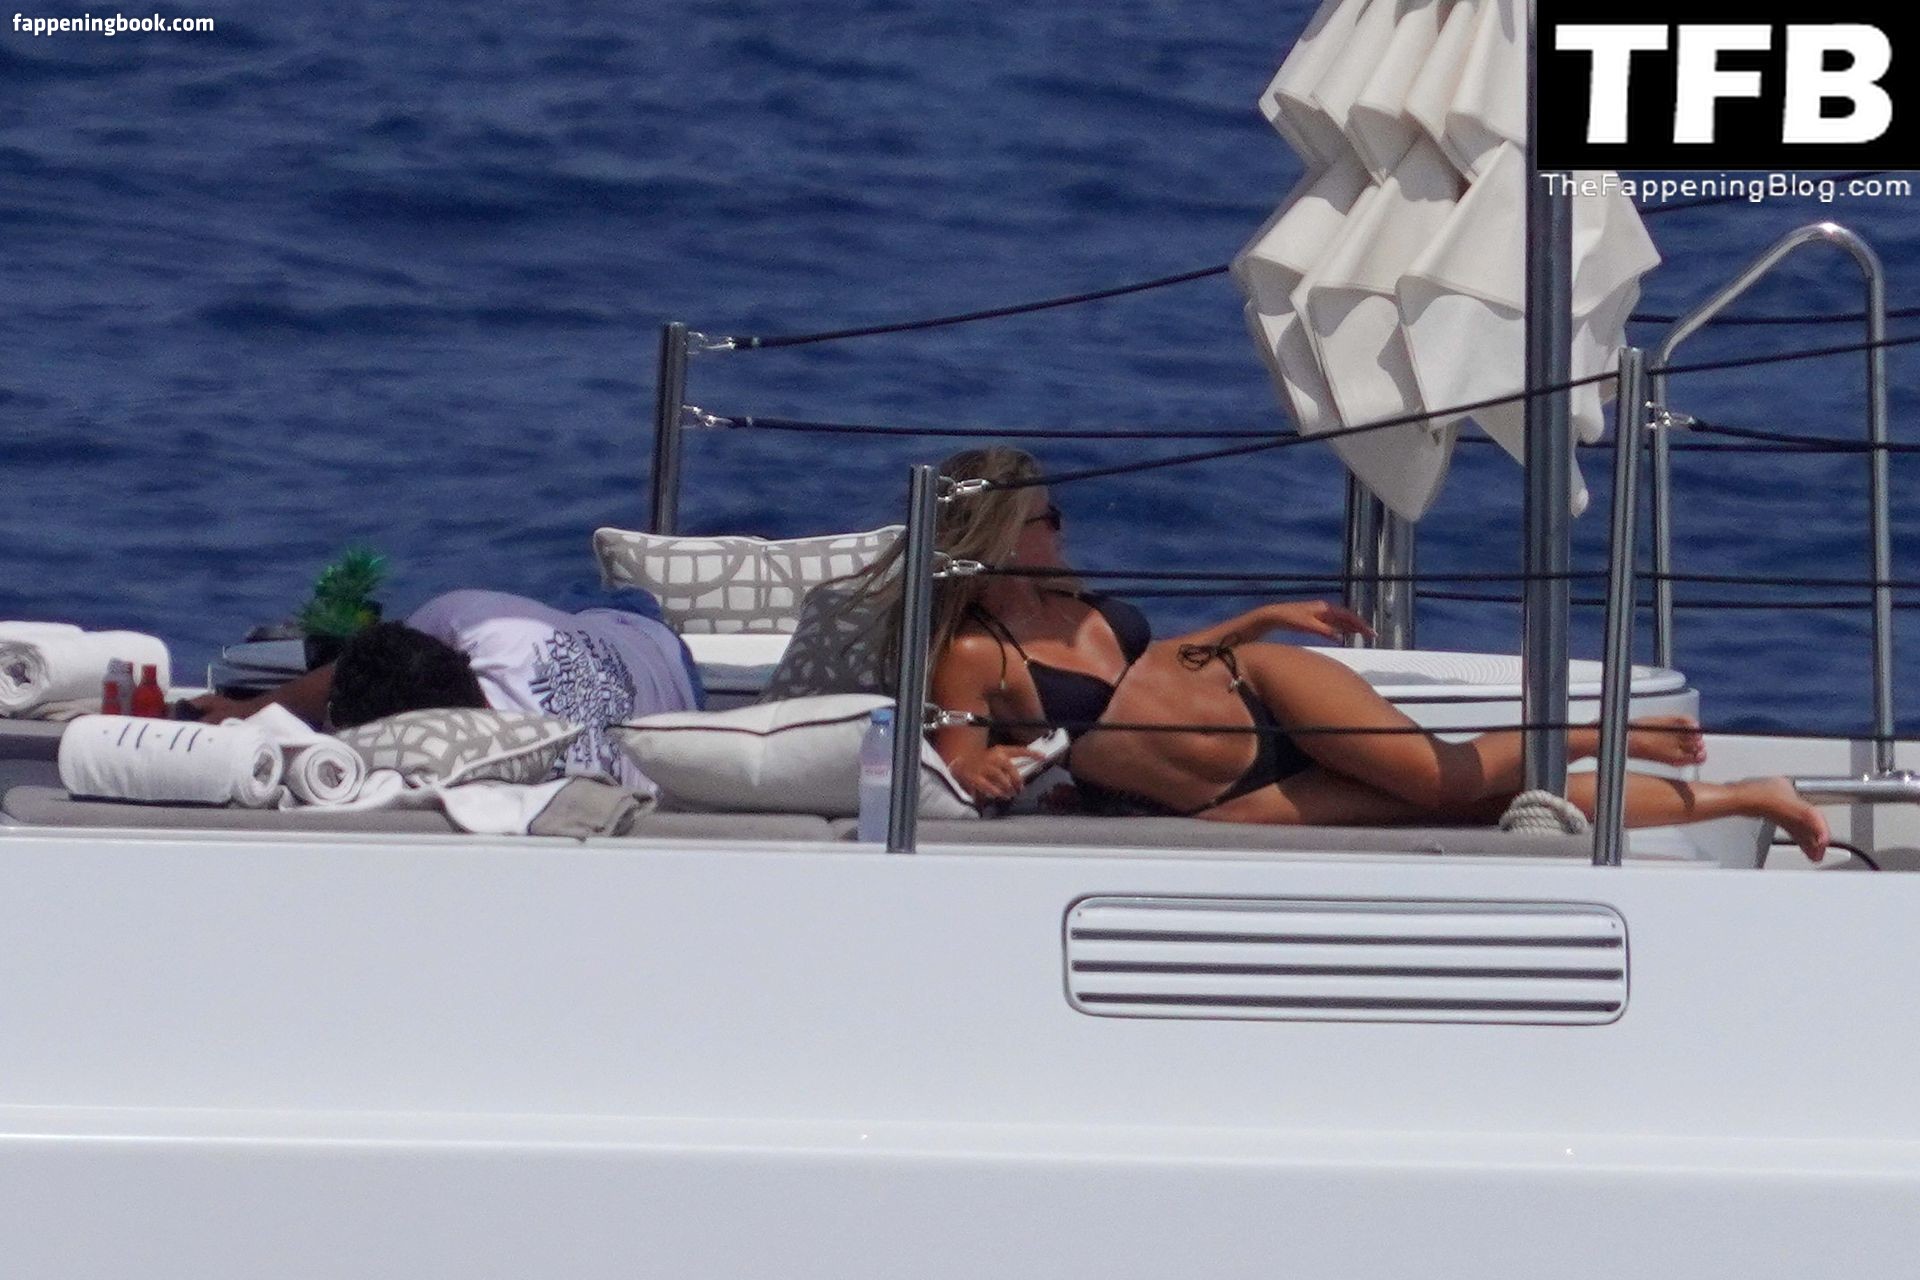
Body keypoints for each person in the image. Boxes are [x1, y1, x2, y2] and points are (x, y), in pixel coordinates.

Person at [851, 447, 1829, 859]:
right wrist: (986, 765)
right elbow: (957, 755)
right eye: (1045, 518)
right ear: (999, 535)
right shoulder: (976, 649)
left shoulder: (1072, 601)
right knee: (1479, 807)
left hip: (1263, 686)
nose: (1061, 528)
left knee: (1442, 775)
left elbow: (1151, 664)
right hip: (1224, 793)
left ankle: (1587, 730)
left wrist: (1256, 621)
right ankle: (1751, 796)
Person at [190, 589, 700, 788]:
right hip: (653, 652)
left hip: (648, 644)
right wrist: (247, 710)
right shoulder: (467, 619)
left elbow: (353, 673)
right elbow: (373, 662)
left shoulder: (483, 781)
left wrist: (247, 711)